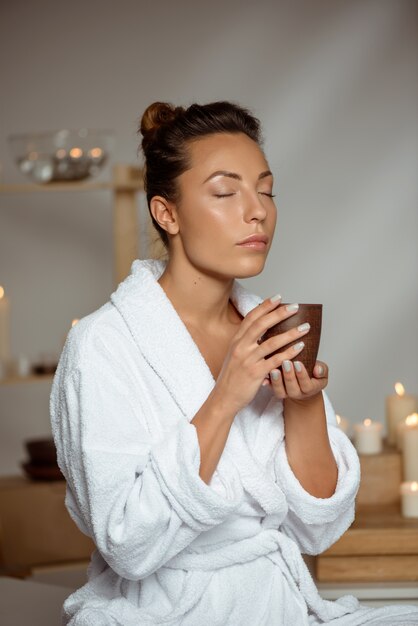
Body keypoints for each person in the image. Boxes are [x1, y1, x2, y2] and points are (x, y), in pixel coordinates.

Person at [50, 101, 418, 625]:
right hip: (161, 612)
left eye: (266, 191)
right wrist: (227, 395)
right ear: (167, 213)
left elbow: (319, 527)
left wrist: (304, 406)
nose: (258, 211)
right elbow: (127, 544)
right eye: (226, 192)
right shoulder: (102, 345)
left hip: (279, 602)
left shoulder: (266, 328)